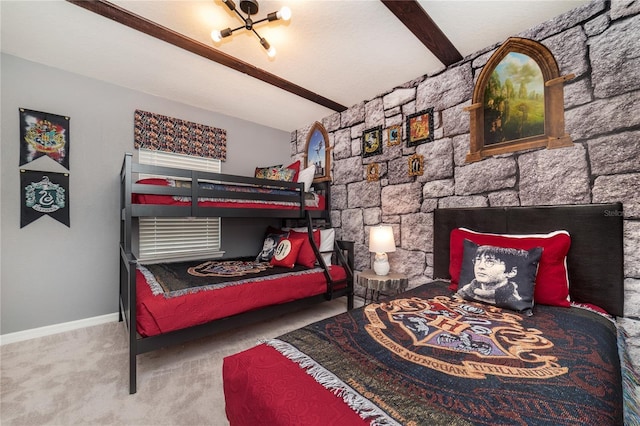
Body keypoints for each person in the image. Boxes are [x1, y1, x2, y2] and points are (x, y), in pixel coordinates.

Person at [457, 245, 528, 306]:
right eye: (478, 260)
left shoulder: (515, 301)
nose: (480, 266)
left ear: (512, 272)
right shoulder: (464, 292)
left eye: (490, 261)